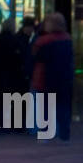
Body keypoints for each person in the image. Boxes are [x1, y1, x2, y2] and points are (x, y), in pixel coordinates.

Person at [32, 13, 75, 141]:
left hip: (45, 78)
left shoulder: (42, 41)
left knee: (46, 108)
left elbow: (36, 58)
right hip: (65, 79)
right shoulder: (68, 39)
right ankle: (64, 134)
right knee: (63, 107)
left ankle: (46, 133)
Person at [0, 19, 26, 132]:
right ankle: (14, 126)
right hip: (13, 79)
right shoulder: (16, 43)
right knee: (14, 103)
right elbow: (20, 61)